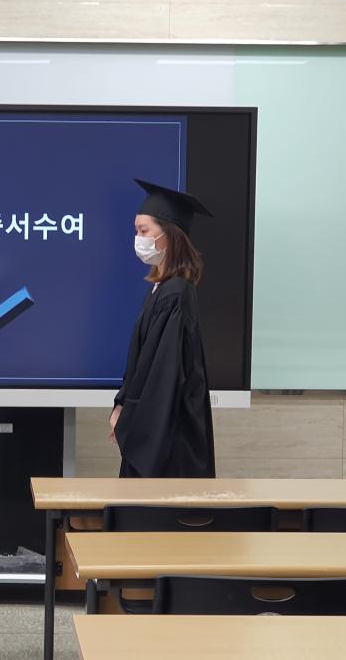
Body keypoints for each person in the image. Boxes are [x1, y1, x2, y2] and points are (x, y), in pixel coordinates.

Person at [109, 179, 216, 478]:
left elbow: (163, 374)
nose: (138, 239)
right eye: (136, 232)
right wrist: (122, 404)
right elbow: (142, 363)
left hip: (169, 440)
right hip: (155, 429)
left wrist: (131, 419)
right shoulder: (161, 290)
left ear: (169, 235)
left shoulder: (177, 293)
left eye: (144, 231)